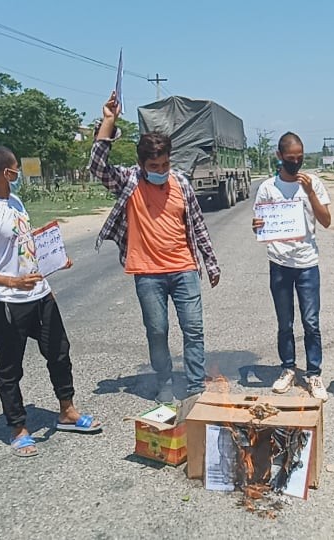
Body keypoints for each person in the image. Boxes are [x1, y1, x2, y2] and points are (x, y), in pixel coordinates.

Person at [0, 145, 101, 458]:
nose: (18, 173)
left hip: (40, 294)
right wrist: (12, 282)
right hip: (7, 303)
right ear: (5, 173)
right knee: (10, 368)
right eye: (14, 169)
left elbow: (23, 246)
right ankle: (18, 428)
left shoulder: (15, 200)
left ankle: (68, 411)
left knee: (59, 353)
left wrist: (52, 261)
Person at [89, 91, 220, 404]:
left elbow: (198, 225)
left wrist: (211, 263)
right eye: (153, 165)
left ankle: (194, 387)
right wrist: (109, 121)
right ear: (141, 163)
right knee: (157, 331)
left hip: (184, 268)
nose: (160, 169)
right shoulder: (129, 181)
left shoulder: (181, 183)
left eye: (164, 163)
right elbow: (97, 167)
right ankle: (164, 384)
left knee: (194, 330)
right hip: (147, 273)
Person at [251, 132, 332, 401]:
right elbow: (259, 223)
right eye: (290, 159)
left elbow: (327, 220)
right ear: (279, 157)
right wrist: (257, 226)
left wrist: (309, 192)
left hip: (308, 263)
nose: (296, 163)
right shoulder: (267, 188)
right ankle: (287, 369)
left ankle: (314, 373)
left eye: (300, 158)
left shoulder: (315, 184)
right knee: (284, 322)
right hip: (280, 263)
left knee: (311, 322)